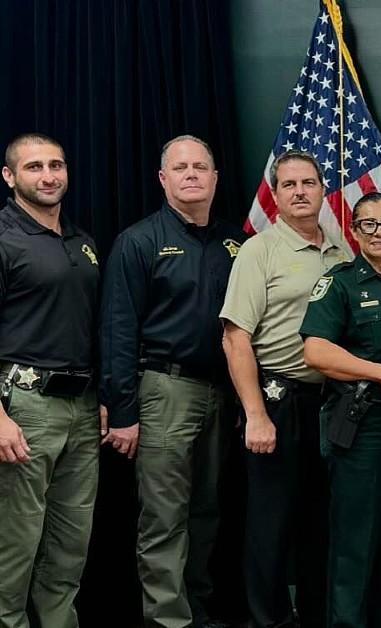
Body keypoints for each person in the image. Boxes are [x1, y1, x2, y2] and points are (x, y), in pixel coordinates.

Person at [99, 134, 244, 628]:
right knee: (163, 517)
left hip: (221, 393)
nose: (191, 175)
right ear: (163, 179)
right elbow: (118, 327)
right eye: (180, 168)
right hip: (164, 389)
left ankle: (196, 612)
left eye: (200, 167)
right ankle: (167, 621)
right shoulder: (138, 241)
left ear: (214, 178)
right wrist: (122, 410)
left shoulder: (235, 243)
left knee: (206, 513)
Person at [219, 149, 351, 627]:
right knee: (270, 526)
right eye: (289, 184)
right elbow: (236, 338)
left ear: (322, 190)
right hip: (279, 399)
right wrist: (255, 414)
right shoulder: (260, 250)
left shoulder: (340, 252)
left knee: (321, 522)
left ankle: (316, 616)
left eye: (309, 183)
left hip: (333, 403)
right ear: (275, 195)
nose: (300, 191)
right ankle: (267, 620)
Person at [299, 192, 381, 628]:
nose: (380, 233)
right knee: (355, 541)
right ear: (353, 231)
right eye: (369, 224)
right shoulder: (341, 283)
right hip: (360, 425)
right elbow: (315, 350)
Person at [0, 133, 100, 628]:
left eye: (56, 165)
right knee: (17, 536)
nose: (48, 175)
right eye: (34, 166)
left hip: (81, 405)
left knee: (70, 538)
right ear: (10, 176)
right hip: (23, 403)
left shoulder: (82, 242)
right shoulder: (3, 237)